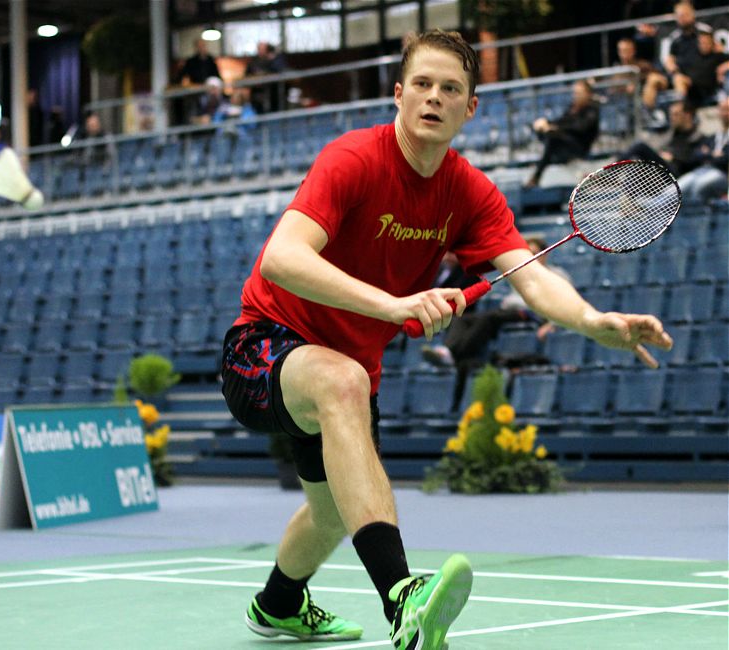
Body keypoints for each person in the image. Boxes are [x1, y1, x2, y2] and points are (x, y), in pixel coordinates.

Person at [221, 30, 673, 649]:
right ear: (400, 95)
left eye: (451, 89)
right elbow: (282, 258)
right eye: (424, 85)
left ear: (470, 108)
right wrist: (395, 304)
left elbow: (533, 277)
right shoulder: (352, 158)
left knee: (333, 514)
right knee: (343, 380)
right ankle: (402, 597)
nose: (435, 98)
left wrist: (594, 322)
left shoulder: (469, 192)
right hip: (265, 345)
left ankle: (278, 605)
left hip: (347, 369)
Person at [421, 236, 571, 371]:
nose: (530, 257)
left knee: (488, 318)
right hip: (510, 312)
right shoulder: (522, 274)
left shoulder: (557, 275)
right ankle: (449, 351)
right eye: (527, 253)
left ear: (544, 254)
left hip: (534, 314)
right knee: (462, 318)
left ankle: (451, 354)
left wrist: (550, 324)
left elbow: (566, 303)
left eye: (534, 252)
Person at [524, 79, 600, 187]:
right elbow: (562, 121)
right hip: (565, 144)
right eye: (575, 93)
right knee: (547, 133)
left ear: (588, 94)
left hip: (579, 147)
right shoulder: (572, 108)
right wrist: (546, 123)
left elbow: (580, 127)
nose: (576, 96)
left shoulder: (592, 109)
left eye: (579, 93)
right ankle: (546, 166)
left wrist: (556, 128)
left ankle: (537, 175)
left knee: (552, 137)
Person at [642, 2, 713, 115]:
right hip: (678, 76)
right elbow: (668, 60)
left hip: (700, 76)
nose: (682, 18)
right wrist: (674, 71)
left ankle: (680, 113)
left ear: (693, 14)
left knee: (679, 80)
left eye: (685, 15)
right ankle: (648, 116)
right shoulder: (675, 38)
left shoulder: (704, 31)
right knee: (653, 78)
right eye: (679, 16)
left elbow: (716, 52)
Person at [619, 99, 704, 177]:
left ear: (688, 115)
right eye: (671, 114)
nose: (672, 118)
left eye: (676, 114)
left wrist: (674, 158)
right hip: (662, 167)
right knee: (638, 166)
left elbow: (694, 161)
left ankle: (610, 172)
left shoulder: (698, 137)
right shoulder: (672, 134)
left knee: (640, 147)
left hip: (676, 172)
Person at [677, 95, 729, 201]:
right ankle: (651, 205)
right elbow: (695, 156)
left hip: (721, 174)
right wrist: (713, 154)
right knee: (678, 186)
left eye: (726, 110)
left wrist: (707, 154)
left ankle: (696, 216)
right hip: (702, 170)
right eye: (721, 110)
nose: (723, 113)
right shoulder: (713, 137)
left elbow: (724, 160)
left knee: (699, 186)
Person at [245, 41, 287, 113]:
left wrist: (273, 58)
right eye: (259, 49)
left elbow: (280, 70)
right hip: (257, 92)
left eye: (263, 49)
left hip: (273, 91)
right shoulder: (254, 61)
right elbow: (247, 74)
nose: (261, 51)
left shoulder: (274, 59)